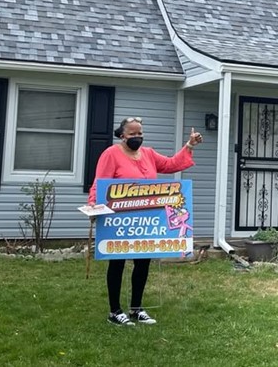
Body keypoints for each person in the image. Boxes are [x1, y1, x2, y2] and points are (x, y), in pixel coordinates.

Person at [87, 117, 203, 326]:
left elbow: (170, 164)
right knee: (117, 262)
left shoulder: (148, 154)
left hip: (145, 220)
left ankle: (136, 308)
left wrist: (189, 146)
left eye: (140, 133)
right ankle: (115, 311)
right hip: (119, 220)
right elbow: (100, 182)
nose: (137, 137)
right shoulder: (111, 154)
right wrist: (94, 204)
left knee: (143, 262)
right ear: (122, 135)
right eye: (132, 134)